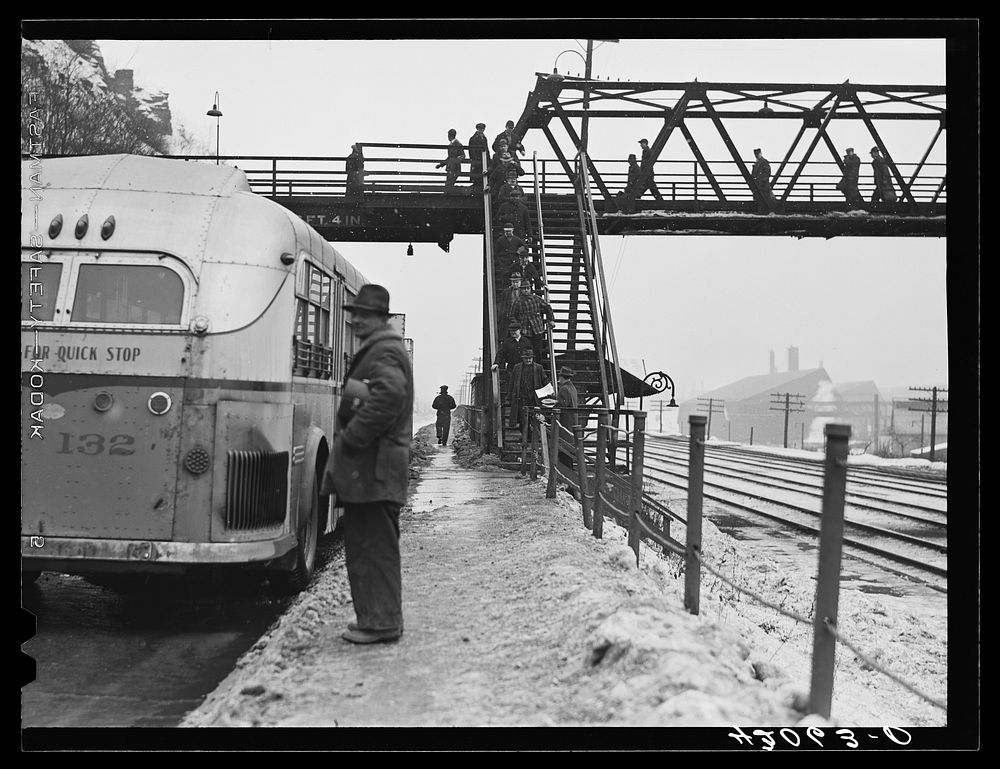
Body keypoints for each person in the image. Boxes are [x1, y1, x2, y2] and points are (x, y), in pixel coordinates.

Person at [321, 284, 413, 645]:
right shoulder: (380, 348)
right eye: (354, 313)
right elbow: (367, 396)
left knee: (374, 549)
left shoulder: (384, 351)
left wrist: (352, 438)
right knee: (367, 546)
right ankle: (375, 619)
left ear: (380, 318)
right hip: (371, 468)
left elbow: (388, 396)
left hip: (375, 466)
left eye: (363, 314)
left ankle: (382, 624)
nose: (355, 319)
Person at [508, 347, 549, 438]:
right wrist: (509, 396)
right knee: (521, 418)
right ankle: (525, 436)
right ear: (522, 358)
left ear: (533, 358)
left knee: (534, 418)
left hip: (534, 398)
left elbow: (544, 380)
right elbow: (512, 383)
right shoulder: (517, 368)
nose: (528, 360)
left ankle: (531, 437)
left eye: (530, 358)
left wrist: (550, 388)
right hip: (521, 398)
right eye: (526, 358)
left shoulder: (538, 368)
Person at [512, 287, 556, 364]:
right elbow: (512, 315)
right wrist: (518, 327)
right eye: (524, 289)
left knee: (538, 351)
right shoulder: (518, 302)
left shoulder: (536, 299)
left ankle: (538, 368)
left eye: (528, 288)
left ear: (530, 289)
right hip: (525, 330)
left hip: (537, 329)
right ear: (521, 290)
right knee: (525, 351)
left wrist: (551, 319)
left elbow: (547, 307)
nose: (526, 290)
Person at [491, 319, 532, 398]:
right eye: (511, 331)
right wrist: (496, 363)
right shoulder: (507, 342)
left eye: (515, 331)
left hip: (524, 368)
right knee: (512, 386)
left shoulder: (527, 342)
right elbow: (500, 353)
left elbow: (531, 355)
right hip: (511, 368)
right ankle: (510, 400)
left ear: (520, 330)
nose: (513, 333)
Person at [554, 365, 579, 468]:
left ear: (561, 377)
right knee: (568, 449)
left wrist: (554, 403)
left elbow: (562, 405)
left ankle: (566, 475)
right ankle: (568, 475)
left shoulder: (564, 388)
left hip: (564, 422)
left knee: (564, 450)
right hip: (571, 421)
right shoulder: (572, 387)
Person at [493, 222, 528, 293]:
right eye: (506, 231)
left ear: (512, 231)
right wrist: (500, 261)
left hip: (514, 262)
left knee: (515, 279)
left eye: (509, 231)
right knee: (505, 280)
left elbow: (525, 247)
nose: (508, 233)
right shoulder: (500, 240)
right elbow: (496, 252)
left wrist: (519, 251)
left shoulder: (517, 239)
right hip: (504, 262)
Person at [436, 128, 465, 194]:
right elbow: (450, 157)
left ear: (449, 136)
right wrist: (441, 164)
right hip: (451, 168)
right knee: (449, 184)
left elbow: (462, 156)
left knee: (449, 184)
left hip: (454, 168)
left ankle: (447, 198)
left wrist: (454, 162)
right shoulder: (452, 144)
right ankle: (449, 196)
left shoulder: (458, 144)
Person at [751, 148, 776, 214]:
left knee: (764, 198)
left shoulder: (763, 161)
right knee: (762, 199)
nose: (756, 155)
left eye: (757, 154)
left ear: (760, 154)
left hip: (762, 185)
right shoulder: (759, 162)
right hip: (759, 185)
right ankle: (765, 211)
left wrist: (761, 179)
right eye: (756, 154)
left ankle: (766, 211)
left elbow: (767, 172)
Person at [468, 123, 490, 190]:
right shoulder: (473, 138)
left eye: (483, 129)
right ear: (477, 129)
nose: (482, 130)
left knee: (482, 174)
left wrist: (488, 159)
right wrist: (474, 159)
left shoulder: (484, 138)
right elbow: (471, 151)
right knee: (477, 174)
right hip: (477, 159)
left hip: (483, 159)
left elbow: (486, 149)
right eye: (480, 129)